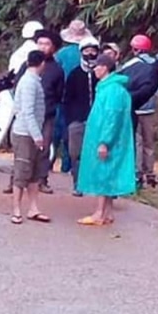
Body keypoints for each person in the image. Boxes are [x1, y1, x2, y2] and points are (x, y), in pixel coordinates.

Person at [77, 54, 136, 226]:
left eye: (97, 66)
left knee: (103, 173)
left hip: (108, 140)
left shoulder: (113, 90)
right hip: (105, 138)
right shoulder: (108, 87)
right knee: (108, 174)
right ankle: (107, 212)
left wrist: (105, 141)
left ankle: (99, 213)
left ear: (105, 68)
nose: (94, 69)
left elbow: (112, 117)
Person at [4, 30, 62, 194]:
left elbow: (58, 94)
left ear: (53, 48)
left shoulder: (57, 69)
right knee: (22, 149)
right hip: (26, 115)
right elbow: (17, 87)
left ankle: (41, 180)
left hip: (47, 115)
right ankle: (15, 181)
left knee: (43, 149)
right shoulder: (26, 65)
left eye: (47, 44)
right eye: (40, 43)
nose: (43, 47)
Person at [119, 34, 158, 187]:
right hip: (148, 110)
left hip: (132, 109)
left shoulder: (130, 64)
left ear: (134, 49)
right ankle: (150, 172)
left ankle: (137, 173)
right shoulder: (156, 66)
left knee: (136, 142)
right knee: (149, 144)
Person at [10, 50, 49, 224]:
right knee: (22, 172)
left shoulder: (33, 81)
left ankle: (33, 208)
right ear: (42, 64)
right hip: (25, 133)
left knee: (35, 173)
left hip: (32, 133)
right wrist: (37, 135)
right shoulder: (28, 83)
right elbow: (27, 112)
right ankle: (16, 210)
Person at [53, 19, 92, 174]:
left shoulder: (62, 54)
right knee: (75, 134)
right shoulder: (89, 55)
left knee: (58, 131)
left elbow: (56, 75)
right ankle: (69, 166)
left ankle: (49, 164)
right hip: (82, 99)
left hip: (63, 97)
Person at [63, 37, 100, 196]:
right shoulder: (75, 74)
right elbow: (67, 99)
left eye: (93, 51)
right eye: (87, 51)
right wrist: (72, 119)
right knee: (75, 153)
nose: (90, 54)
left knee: (97, 153)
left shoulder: (101, 74)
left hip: (98, 121)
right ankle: (78, 184)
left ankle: (95, 184)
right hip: (78, 120)